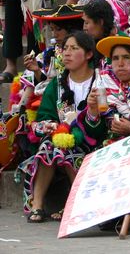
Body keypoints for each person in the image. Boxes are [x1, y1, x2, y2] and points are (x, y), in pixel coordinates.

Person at [19, 32, 98, 222]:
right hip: (59, 139)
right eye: (65, 49)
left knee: (69, 148)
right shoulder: (57, 84)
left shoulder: (100, 81)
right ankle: (37, 205)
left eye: (74, 48)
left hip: (91, 139)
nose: (67, 53)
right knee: (50, 146)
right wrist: (51, 126)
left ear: (88, 54)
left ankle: (74, 203)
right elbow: (44, 116)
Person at [81, 36, 130, 148]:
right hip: (111, 150)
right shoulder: (103, 83)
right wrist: (93, 110)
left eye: (126, 57)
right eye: (115, 58)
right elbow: (94, 135)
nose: (120, 63)